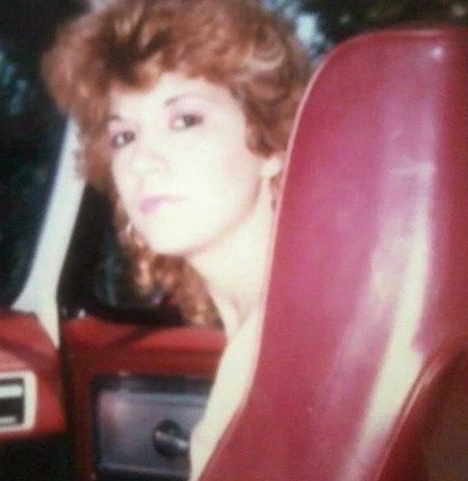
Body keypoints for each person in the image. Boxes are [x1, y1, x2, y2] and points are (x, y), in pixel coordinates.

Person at [42, 0, 309, 479]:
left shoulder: (296, 348)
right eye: (124, 137)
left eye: (184, 120)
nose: (142, 161)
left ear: (270, 142)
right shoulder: (262, 335)